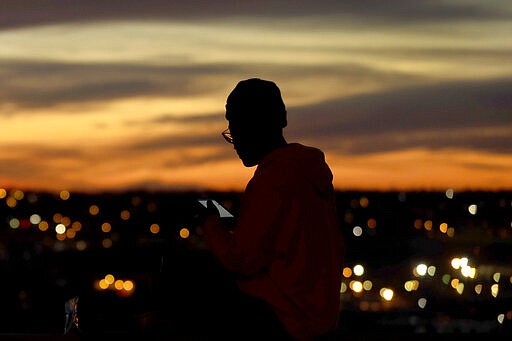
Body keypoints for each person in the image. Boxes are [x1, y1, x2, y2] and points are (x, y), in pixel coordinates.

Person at [200, 78, 344, 341]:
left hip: (287, 317)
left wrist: (210, 223)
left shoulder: (273, 180)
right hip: (318, 314)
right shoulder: (306, 172)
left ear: (257, 126)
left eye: (237, 129)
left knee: (192, 275)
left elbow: (242, 260)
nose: (234, 141)